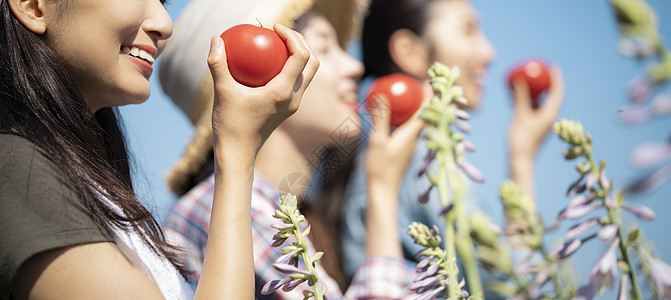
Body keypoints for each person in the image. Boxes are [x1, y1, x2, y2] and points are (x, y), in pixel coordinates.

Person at [0, 0, 319, 298]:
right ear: (33, 5)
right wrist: (235, 154)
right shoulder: (17, 172)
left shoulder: (86, 185)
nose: (165, 24)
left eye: (163, 1)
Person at [159, 0, 425, 298]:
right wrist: (382, 192)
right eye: (324, 49)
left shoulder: (297, 212)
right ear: (264, 72)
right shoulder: (230, 210)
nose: (355, 66)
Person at [340, 0, 565, 282]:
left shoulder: (382, 159)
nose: (489, 52)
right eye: (468, 30)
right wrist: (522, 160)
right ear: (408, 51)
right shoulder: (422, 164)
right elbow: (515, 282)